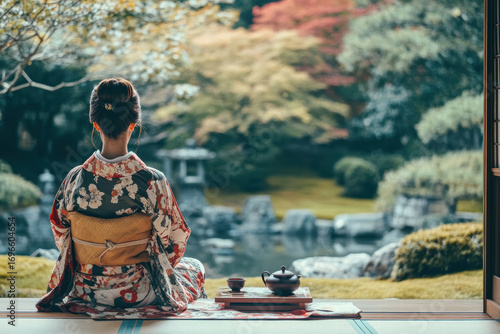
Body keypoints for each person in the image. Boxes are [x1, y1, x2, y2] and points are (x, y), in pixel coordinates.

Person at [36, 78, 206, 319]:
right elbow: (173, 244)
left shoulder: (74, 179)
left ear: (95, 124)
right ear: (134, 123)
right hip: (138, 292)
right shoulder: (152, 181)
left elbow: (61, 236)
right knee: (195, 267)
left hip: (85, 290)